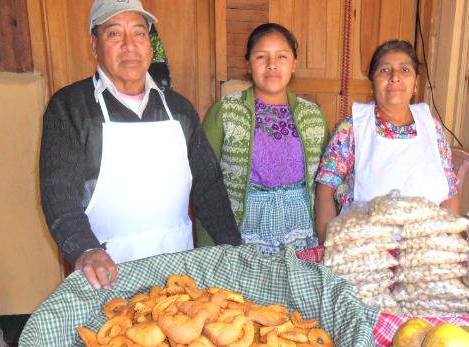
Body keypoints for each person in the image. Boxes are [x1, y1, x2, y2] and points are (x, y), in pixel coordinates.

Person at [40, 0, 240, 290]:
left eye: (139, 33)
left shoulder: (179, 109)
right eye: (114, 34)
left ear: (149, 44)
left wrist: (233, 248)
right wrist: (85, 249)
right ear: (94, 44)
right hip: (106, 281)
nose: (129, 45)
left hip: (177, 280)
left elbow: (209, 188)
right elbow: (58, 194)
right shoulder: (70, 107)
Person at [198, 23, 329, 255]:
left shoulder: (312, 115)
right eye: (261, 56)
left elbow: (325, 184)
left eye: (282, 56)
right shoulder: (226, 111)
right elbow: (204, 181)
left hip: (301, 229)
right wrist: (210, 248)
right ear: (248, 64)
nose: (272, 64)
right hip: (243, 230)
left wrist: (326, 237)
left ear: (294, 63)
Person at [315, 40, 460, 243]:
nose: (395, 77)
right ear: (372, 83)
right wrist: (328, 244)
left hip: (426, 249)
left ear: (415, 82)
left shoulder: (432, 127)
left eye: (405, 69)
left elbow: (449, 192)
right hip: (365, 249)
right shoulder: (354, 127)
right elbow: (325, 190)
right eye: (384, 70)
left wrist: (451, 244)